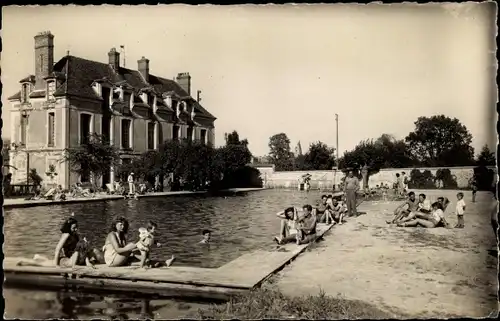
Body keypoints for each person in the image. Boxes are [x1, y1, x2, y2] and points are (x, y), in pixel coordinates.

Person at [16, 214, 96, 268]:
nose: (76, 229)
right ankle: (25, 262)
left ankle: (38, 256)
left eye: (76, 227)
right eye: (74, 228)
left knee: (49, 262)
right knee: (44, 264)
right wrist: (56, 265)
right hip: (65, 259)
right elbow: (58, 248)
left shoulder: (76, 235)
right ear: (68, 228)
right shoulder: (66, 235)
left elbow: (81, 248)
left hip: (70, 257)